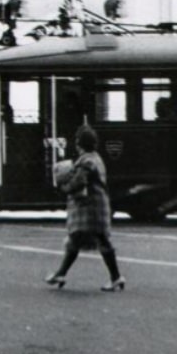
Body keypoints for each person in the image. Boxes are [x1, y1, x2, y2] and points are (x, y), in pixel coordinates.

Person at [45, 124, 126, 292]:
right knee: (86, 239)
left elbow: (80, 181)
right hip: (97, 205)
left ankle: (115, 277)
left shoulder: (87, 160)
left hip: (90, 207)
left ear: (79, 144)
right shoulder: (96, 158)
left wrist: (65, 188)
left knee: (86, 239)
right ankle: (62, 274)